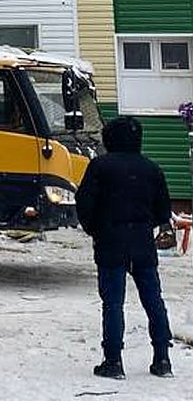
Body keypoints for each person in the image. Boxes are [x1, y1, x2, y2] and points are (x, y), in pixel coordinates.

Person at [75, 114, 174, 380]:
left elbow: (84, 204)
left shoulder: (99, 167)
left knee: (113, 302)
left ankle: (113, 361)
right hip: (142, 241)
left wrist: (96, 229)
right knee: (153, 300)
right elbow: (163, 210)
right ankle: (162, 358)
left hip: (110, 241)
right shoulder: (152, 169)